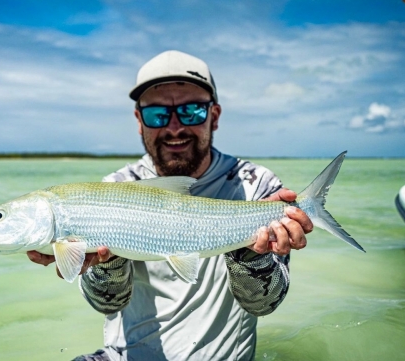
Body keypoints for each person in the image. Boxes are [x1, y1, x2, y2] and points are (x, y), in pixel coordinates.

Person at [28, 50, 313, 361]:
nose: (175, 127)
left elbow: (264, 304)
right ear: (139, 121)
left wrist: (250, 253)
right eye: (157, 114)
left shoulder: (257, 187)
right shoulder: (114, 188)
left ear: (214, 116)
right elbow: (107, 305)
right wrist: (106, 263)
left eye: (191, 111)